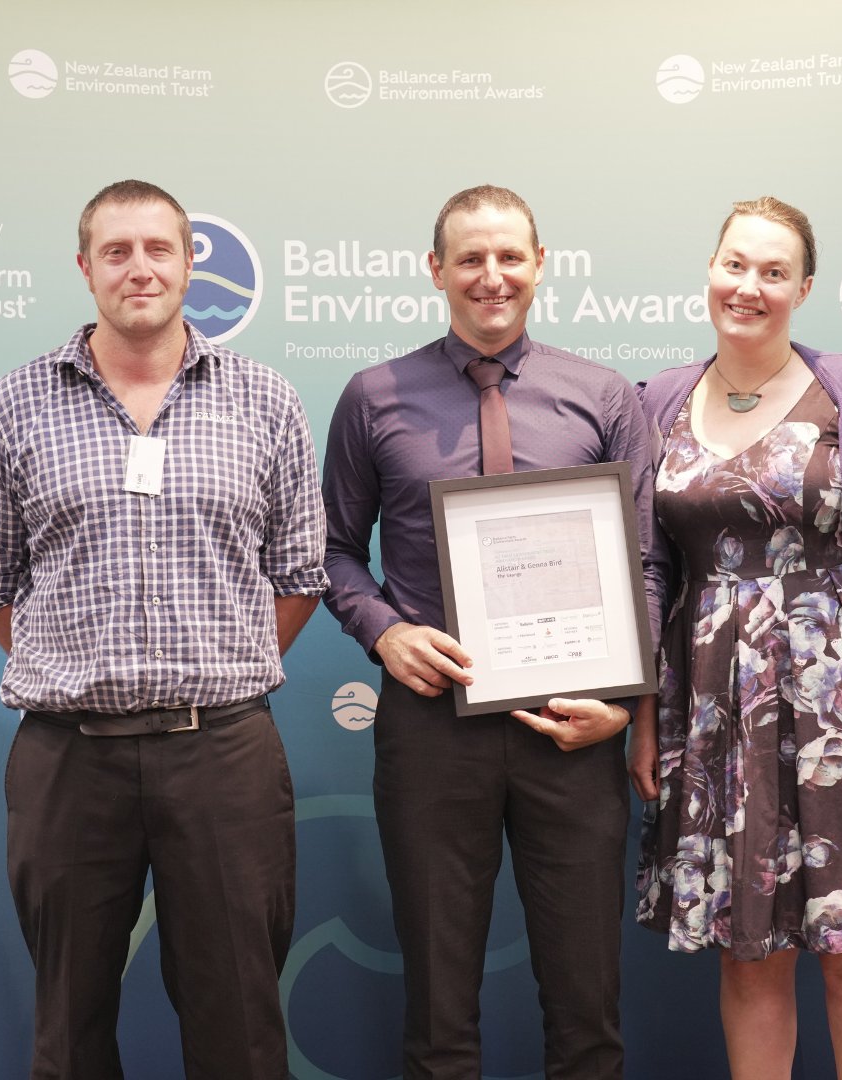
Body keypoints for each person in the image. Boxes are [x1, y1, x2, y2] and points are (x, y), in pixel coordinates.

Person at [0, 179, 327, 1080]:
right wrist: (78, 667)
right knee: (69, 1026)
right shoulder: (14, 405)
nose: (139, 269)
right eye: (116, 252)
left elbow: (300, 575)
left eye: (159, 249)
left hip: (224, 755)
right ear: (85, 268)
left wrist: (216, 665)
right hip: (67, 759)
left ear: (190, 262)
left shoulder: (265, 400)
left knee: (240, 1024)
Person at [629, 196, 842, 1079]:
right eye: (735, 264)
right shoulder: (657, 402)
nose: (749, 287)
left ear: (805, 288)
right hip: (715, 717)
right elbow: (651, 568)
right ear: (710, 270)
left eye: (773, 272)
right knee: (751, 954)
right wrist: (645, 710)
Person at [321, 185, 661, 1078]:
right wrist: (384, 632)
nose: (492, 275)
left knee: (588, 1010)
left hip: (573, 725)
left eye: (511, 255)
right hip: (432, 726)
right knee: (438, 1011)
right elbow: (329, 551)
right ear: (435, 270)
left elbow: (648, 565)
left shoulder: (604, 398)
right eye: (470, 258)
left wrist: (623, 701)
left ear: (541, 265)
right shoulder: (372, 397)